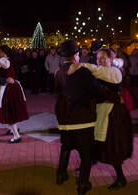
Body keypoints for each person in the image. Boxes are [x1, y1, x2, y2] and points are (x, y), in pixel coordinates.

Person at [69, 48, 133, 191]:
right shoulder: (100, 72)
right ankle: (89, 162)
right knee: (95, 140)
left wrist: (81, 65)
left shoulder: (115, 72)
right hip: (101, 112)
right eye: (98, 58)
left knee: (112, 145)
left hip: (113, 114)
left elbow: (99, 72)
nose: (100, 61)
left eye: (103, 58)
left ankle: (121, 178)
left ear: (111, 59)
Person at [55, 40, 105, 195]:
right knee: (86, 154)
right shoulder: (82, 71)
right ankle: (83, 184)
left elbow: (57, 93)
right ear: (75, 55)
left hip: (64, 117)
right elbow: (97, 91)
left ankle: (61, 175)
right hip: (82, 117)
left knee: (66, 146)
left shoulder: (58, 72)